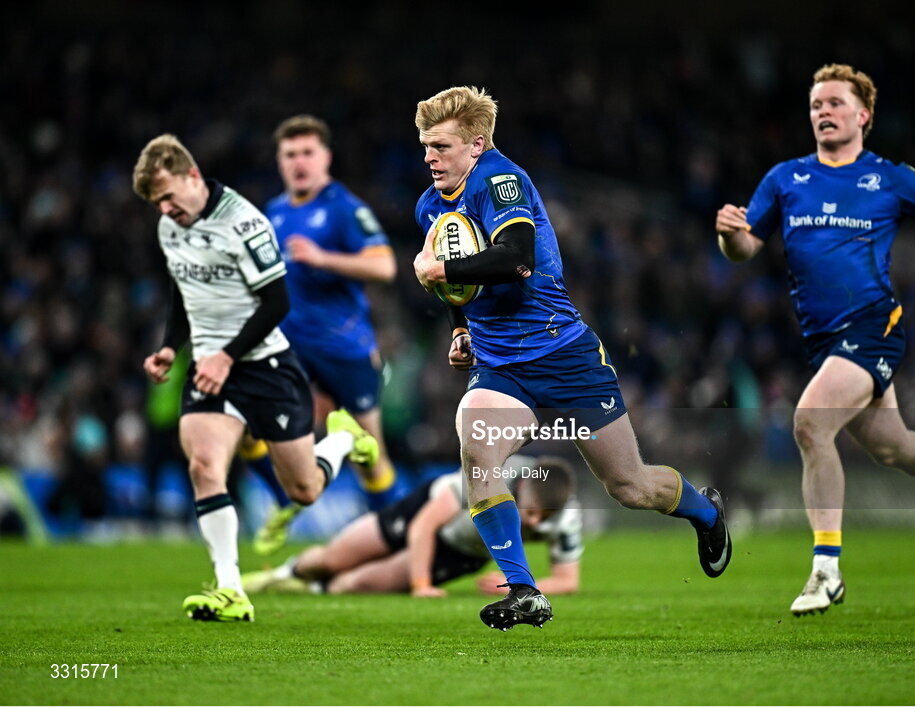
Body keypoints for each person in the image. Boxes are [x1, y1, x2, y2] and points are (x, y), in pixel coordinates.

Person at [411, 86, 731, 631]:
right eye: (424, 146)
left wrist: (442, 273)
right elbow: (459, 290)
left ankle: (706, 513)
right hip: (500, 367)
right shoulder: (429, 206)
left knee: (630, 487)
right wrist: (461, 328)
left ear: (477, 145)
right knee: (477, 444)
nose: (428, 157)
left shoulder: (501, 179)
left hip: (563, 354)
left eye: (440, 145)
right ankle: (524, 589)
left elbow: (516, 261)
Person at [714, 64, 915, 616]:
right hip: (823, 340)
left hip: (874, 326)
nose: (823, 112)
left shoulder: (889, 177)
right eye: (816, 104)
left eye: (835, 103)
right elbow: (747, 248)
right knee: (891, 444)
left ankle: (826, 571)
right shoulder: (785, 178)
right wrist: (729, 236)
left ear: (863, 115)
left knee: (810, 422)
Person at [132, 134, 379, 622]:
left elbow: (277, 302)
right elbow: (183, 290)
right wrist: (168, 345)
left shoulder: (245, 223)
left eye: (167, 196)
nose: (164, 209)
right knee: (204, 466)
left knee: (303, 490)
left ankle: (341, 440)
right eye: (155, 202)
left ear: (192, 177)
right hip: (210, 367)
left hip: (265, 367)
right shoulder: (170, 227)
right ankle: (229, 589)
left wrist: (228, 355)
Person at [249, 115, 402, 555]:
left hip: (345, 349)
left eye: (307, 153)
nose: (299, 162)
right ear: (280, 161)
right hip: (289, 347)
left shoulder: (344, 208)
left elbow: (384, 266)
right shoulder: (273, 212)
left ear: (326, 157)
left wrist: (322, 258)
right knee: (248, 425)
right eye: (290, 154)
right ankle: (282, 500)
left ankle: (390, 545)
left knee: (370, 455)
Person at [242, 455, 582, 597]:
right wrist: (420, 585)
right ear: (520, 489)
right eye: (531, 512)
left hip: (460, 548)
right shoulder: (490, 478)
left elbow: (568, 581)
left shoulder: (567, 517)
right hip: (422, 511)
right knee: (332, 559)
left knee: (356, 583)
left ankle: (315, 589)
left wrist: (523, 585)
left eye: (542, 519)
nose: (532, 523)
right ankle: (285, 573)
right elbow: (424, 525)